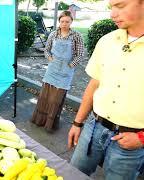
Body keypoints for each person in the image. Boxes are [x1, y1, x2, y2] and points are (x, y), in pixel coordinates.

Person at [68, 0, 144, 179]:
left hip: (131, 140)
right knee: (72, 175)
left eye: (120, 5)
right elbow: (94, 84)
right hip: (93, 127)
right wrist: (77, 123)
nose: (112, 14)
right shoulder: (107, 40)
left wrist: (142, 138)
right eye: (111, 7)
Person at [31, 11, 84, 132]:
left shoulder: (76, 36)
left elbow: (80, 55)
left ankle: (50, 124)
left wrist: (70, 65)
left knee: (56, 99)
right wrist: (50, 58)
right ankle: (39, 120)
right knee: (45, 97)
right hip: (52, 70)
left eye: (67, 22)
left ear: (71, 22)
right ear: (59, 22)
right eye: (62, 21)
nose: (64, 24)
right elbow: (47, 50)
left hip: (66, 72)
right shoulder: (53, 34)